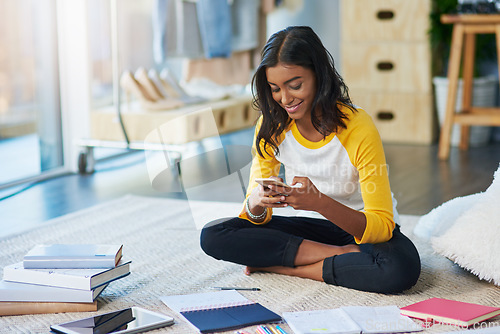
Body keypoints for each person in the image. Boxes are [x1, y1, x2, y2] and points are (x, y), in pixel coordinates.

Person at [200, 26, 421, 294]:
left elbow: (382, 228)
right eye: (275, 89)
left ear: (319, 75)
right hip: (307, 230)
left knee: (400, 268)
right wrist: (257, 201)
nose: (285, 99)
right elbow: (254, 216)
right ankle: (338, 255)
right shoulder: (270, 126)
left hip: (358, 227)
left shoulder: (358, 127)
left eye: (295, 85)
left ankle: (282, 266)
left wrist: (319, 203)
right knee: (214, 234)